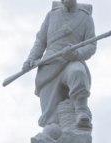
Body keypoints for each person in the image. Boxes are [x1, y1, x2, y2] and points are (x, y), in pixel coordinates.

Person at [23, 0, 96, 130]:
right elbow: (40, 41)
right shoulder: (51, 15)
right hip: (50, 65)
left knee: (78, 72)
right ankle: (53, 130)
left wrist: (76, 53)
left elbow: (91, 45)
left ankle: (81, 111)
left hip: (71, 60)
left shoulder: (85, 18)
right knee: (50, 123)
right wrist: (31, 58)